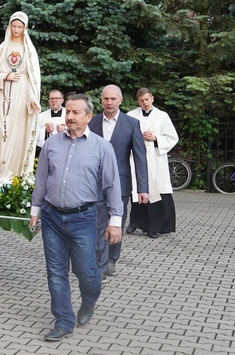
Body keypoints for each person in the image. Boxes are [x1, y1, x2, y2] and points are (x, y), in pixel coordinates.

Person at [29, 94, 122, 342]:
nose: (69, 116)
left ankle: (90, 300)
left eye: (75, 112)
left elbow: (112, 186)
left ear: (88, 117)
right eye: (68, 112)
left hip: (83, 219)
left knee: (86, 272)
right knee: (56, 272)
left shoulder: (102, 148)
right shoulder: (51, 144)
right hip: (51, 218)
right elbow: (41, 179)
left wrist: (115, 221)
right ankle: (63, 321)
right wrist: (34, 210)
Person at [88, 85, 149, 278]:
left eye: (113, 99)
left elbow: (140, 157)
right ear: (101, 100)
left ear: (120, 101)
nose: (109, 102)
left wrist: (143, 188)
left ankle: (112, 260)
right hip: (94, 183)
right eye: (106, 99)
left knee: (116, 223)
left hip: (121, 184)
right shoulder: (92, 122)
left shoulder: (131, 123)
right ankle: (100, 263)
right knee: (98, 224)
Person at [0, 11, 41, 177]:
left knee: (18, 131)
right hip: (3, 96)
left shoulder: (29, 50)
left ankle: (15, 172)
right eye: (14, 26)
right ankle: (0, 171)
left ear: (25, 28)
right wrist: (5, 76)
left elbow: (33, 78)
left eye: (20, 27)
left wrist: (33, 98)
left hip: (22, 95)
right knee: (2, 130)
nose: (16, 30)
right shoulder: (4, 47)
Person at [127, 88, 178, 238]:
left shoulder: (162, 116)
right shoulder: (131, 116)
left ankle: (155, 227)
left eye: (147, 99)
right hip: (136, 158)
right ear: (138, 101)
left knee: (158, 194)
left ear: (152, 99)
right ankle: (135, 223)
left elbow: (172, 137)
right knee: (136, 194)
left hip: (155, 160)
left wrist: (156, 138)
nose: (145, 103)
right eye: (142, 101)